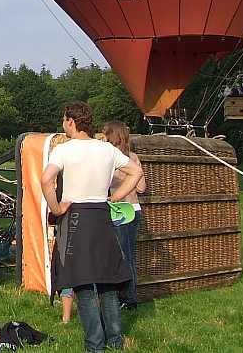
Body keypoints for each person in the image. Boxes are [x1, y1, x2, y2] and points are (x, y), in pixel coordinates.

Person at [41, 101, 143, 352]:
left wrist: (56, 209)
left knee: (83, 284)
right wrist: (116, 197)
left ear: (71, 121)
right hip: (102, 216)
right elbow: (136, 173)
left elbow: (46, 179)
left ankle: (95, 344)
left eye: (64, 120)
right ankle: (115, 342)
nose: (63, 125)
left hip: (77, 218)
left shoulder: (64, 150)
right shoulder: (106, 149)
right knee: (107, 281)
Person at [103, 120, 147, 310]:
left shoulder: (111, 159)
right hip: (135, 209)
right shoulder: (133, 157)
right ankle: (128, 296)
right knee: (129, 255)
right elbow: (141, 187)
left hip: (119, 211)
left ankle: (129, 298)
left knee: (122, 257)